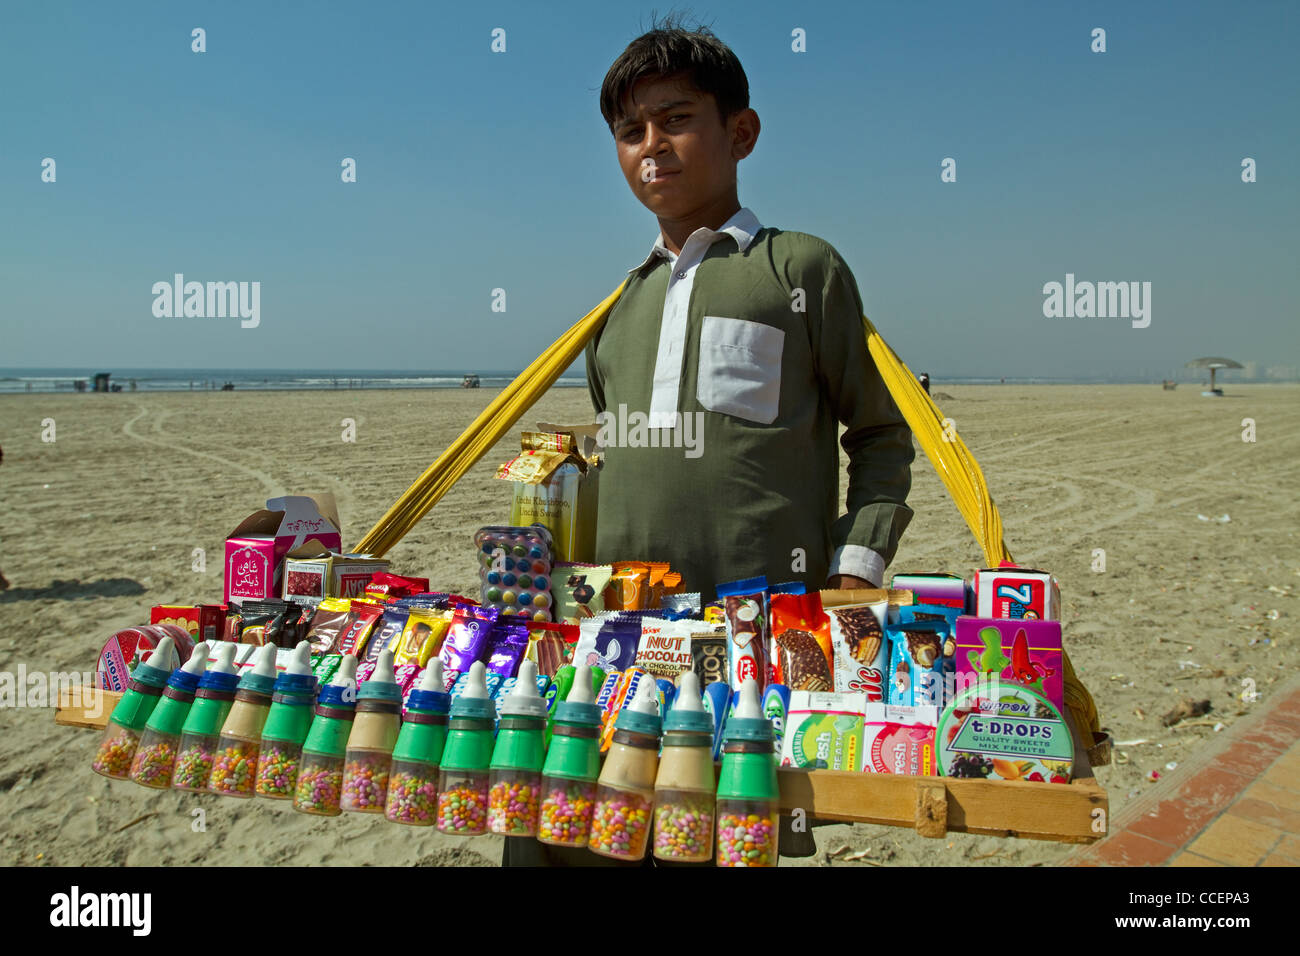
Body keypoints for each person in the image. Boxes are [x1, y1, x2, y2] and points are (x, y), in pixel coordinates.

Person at [505, 17, 915, 868]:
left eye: (675, 119)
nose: (651, 146)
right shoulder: (613, 313)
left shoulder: (798, 270)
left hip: (757, 649)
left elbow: (879, 431)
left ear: (741, 131)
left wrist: (857, 567)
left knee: (732, 842)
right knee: (575, 838)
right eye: (629, 131)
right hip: (613, 652)